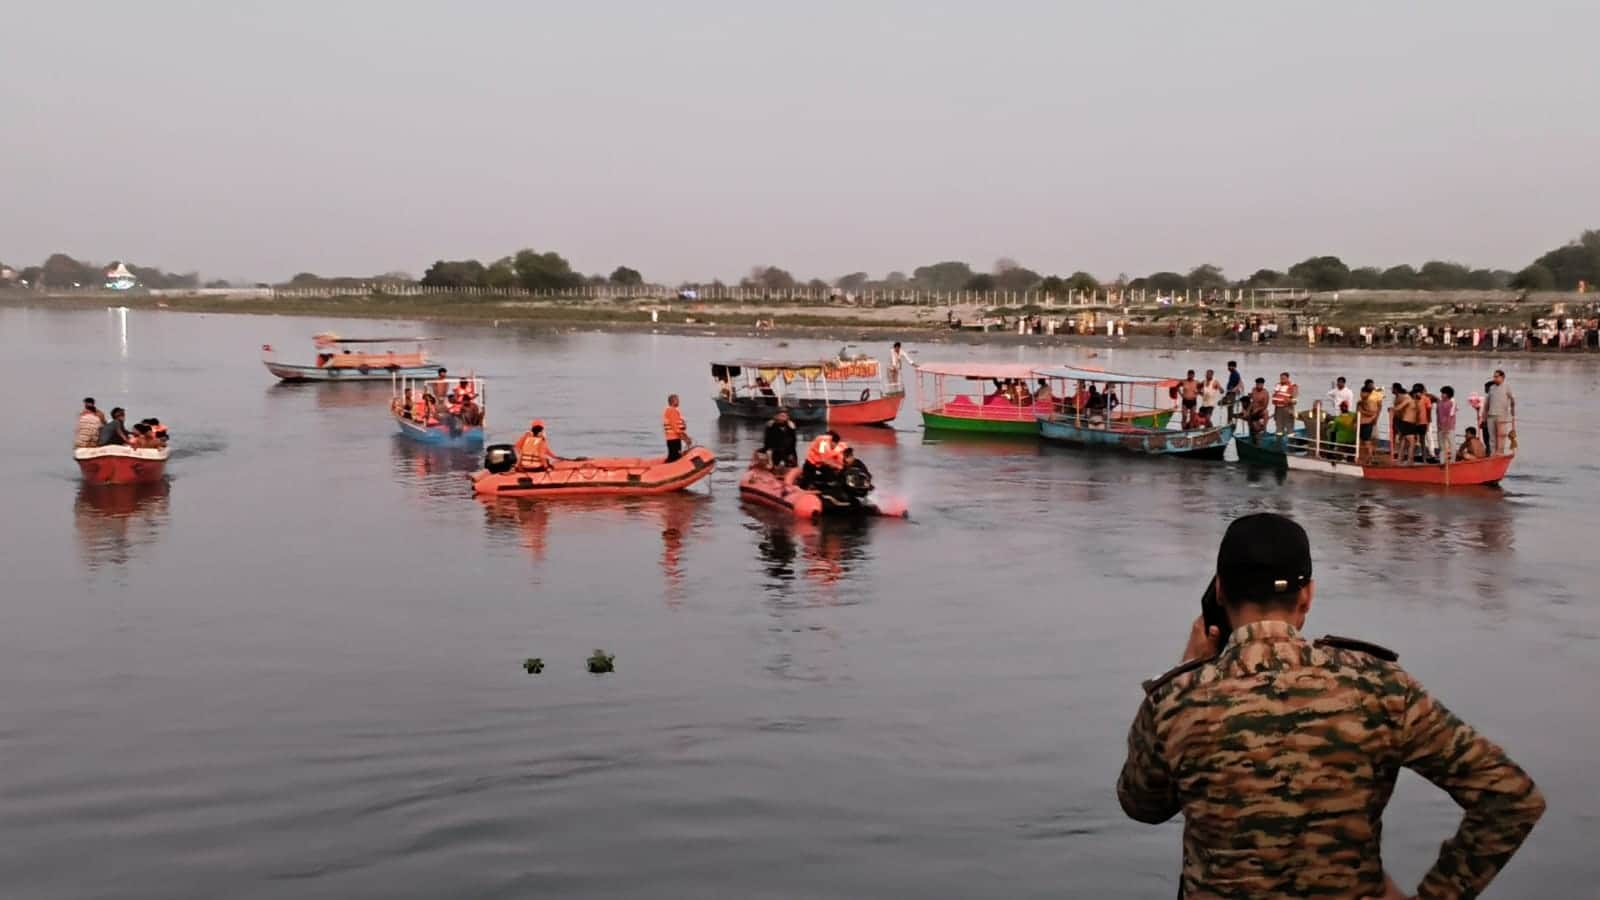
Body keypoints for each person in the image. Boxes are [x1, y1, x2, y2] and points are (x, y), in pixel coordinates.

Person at [1117, 512, 1544, 900]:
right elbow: (1510, 797)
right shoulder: (1380, 687)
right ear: (1307, 596)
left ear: (1221, 592)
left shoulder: (1176, 699)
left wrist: (1189, 667)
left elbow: (1143, 805)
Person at [1484, 369, 1515, 455]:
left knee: (1501, 436)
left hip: (1501, 415)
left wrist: (1512, 412)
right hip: (1491, 415)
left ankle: (1500, 453)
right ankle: (1492, 454)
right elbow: (1487, 403)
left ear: (1502, 377)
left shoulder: (1507, 387)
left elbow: (1512, 400)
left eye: (1496, 377)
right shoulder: (1491, 388)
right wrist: (1484, 417)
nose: (1495, 378)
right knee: (1492, 438)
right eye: (1494, 377)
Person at [1358, 380, 1384, 464]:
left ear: (1368, 393)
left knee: (1367, 441)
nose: (1362, 395)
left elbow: (1373, 412)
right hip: (1362, 423)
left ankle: (1370, 458)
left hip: (1367, 423)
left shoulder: (1370, 401)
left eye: (1364, 393)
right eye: (1362, 393)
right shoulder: (1361, 402)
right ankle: (1365, 457)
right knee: (1362, 440)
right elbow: (1358, 412)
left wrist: (1374, 417)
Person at [662, 394, 690, 462]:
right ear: (673, 401)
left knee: (672, 457)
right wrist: (686, 439)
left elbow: (679, 427)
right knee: (675, 458)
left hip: (672, 439)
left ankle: (666, 469)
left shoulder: (670, 411)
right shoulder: (672, 411)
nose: (679, 402)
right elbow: (676, 428)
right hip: (674, 439)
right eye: (677, 400)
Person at [1271, 371, 1298, 437]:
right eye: (1281, 378)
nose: (1282, 379)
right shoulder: (1278, 385)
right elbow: (1275, 397)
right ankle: (1279, 442)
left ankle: (1291, 440)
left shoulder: (1292, 386)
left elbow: (1294, 401)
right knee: (1278, 428)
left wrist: (1288, 401)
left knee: (1289, 427)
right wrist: (1275, 412)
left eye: (1283, 378)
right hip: (1278, 409)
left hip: (1287, 408)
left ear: (1288, 378)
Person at [1437, 385, 1458, 460]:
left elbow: (1450, 417)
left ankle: (1453, 461)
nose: (1442, 395)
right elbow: (1438, 415)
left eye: (1444, 393)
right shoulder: (1439, 403)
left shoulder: (1451, 403)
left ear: (1448, 395)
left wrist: (1446, 428)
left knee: (1452, 445)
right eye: (1442, 393)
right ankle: (1442, 461)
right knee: (1442, 446)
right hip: (1440, 427)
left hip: (1449, 428)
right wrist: (1439, 426)